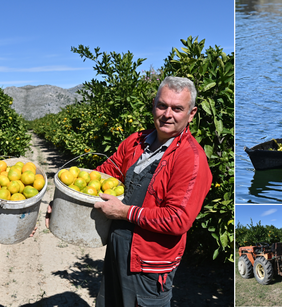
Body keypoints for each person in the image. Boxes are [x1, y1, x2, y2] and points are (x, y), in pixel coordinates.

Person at [72, 76, 211, 306]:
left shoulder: (191, 159)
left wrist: (124, 213)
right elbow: (105, 173)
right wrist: (66, 198)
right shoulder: (136, 142)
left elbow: (178, 219)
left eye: (177, 108)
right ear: (153, 104)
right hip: (117, 253)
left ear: (192, 113)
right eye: (162, 105)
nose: (167, 114)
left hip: (149, 268)